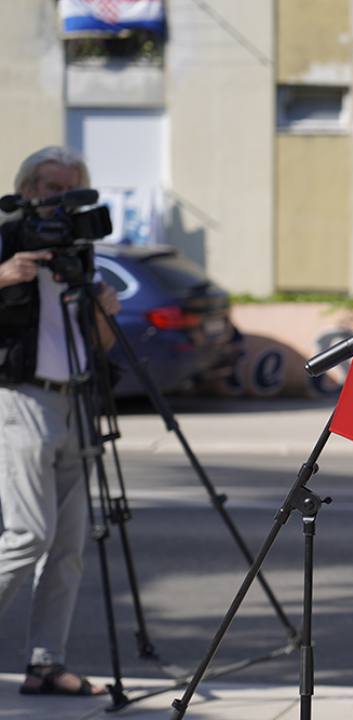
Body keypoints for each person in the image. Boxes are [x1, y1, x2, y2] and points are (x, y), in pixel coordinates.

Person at [0, 146, 121, 696]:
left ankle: (46, 664)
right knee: (29, 535)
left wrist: (104, 311)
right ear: (27, 190)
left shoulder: (79, 252)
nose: (59, 200)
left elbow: (98, 345)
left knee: (69, 546)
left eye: (70, 190)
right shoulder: (5, 240)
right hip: (21, 399)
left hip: (78, 400)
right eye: (50, 188)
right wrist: (3, 276)